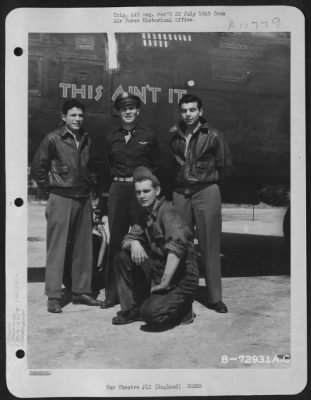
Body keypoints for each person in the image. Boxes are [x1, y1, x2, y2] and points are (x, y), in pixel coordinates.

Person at [31, 99, 103, 313]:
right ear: (63, 117)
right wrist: (52, 190)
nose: (77, 119)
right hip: (61, 197)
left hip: (83, 198)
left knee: (83, 248)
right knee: (57, 248)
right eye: (73, 115)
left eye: (80, 115)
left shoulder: (87, 139)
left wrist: (93, 193)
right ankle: (54, 295)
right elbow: (38, 169)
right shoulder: (53, 138)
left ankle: (81, 291)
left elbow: (90, 169)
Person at [111, 166, 199, 329]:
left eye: (146, 191)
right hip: (160, 269)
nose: (142, 196)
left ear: (157, 190)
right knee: (122, 257)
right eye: (138, 192)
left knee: (152, 315)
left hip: (181, 276)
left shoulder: (168, 213)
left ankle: (184, 308)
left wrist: (164, 283)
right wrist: (134, 243)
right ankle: (132, 309)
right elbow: (126, 240)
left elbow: (176, 250)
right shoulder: (145, 214)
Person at [169, 94, 230, 313]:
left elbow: (224, 166)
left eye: (192, 110)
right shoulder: (174, 136)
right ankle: (183, 293)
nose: (188, 114)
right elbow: (172, 165)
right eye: (184, 110)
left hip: (206, 190)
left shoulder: (213, 136)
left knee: (210, 246)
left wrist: (210, 186)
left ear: (200, 112)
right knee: (180, 244)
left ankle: (215, 298)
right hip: (181, 193)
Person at [101, 92, 160, 309]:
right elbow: (106, 165)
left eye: (132, 107)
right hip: (118, 188)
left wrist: (146, 189)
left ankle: (143, 290)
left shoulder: (149, 135)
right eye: (123, 108)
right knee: (116, 241)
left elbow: (155, 165)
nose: (128, 111)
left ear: (138, 111)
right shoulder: (111, 137)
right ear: (119, 112)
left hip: (139, 192)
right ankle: (111, 294)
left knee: (142, 237)